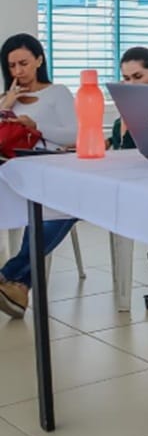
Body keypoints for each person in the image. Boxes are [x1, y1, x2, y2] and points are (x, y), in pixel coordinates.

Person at [0, 33, 77, 319]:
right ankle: (17, 285)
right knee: (55, 204)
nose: (18, 71)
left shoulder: (57, 93)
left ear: (39, 60)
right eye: (11, 66)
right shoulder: (7, 99)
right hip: (14, 171)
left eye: (24, 63)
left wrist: (38, 126)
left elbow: (74, 135)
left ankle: (12, 276)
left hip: (52, 167)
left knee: (64, 204)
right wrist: (5, 107)